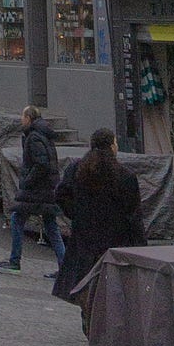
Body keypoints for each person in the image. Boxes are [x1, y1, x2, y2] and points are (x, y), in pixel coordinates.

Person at [52, 128, 146, 309]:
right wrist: (140, 246)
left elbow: (61, 194)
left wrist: (77, 213)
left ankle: (88, 320)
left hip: (85, 239)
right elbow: (134, 215)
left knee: (86, 287)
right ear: (112, 146)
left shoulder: (77, 170)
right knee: (111, 291)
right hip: (115, 241)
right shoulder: (125, 176)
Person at [0, 105, 66, 272]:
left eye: (22, 116)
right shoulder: (43, 135)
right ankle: (64, 267)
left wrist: (27, 181)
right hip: (47, 189)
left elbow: (41, 164)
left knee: (17, 219)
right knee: (51, 227)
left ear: (28, 118)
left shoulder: (34, 137)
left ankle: (15, 261)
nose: (21, 119)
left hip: (37, 191)